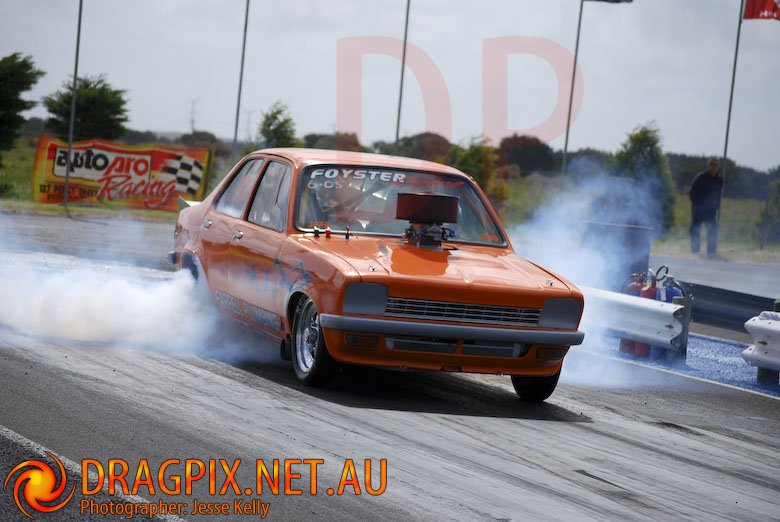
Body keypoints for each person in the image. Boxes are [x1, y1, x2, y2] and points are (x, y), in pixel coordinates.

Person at [689, 157, 724, 255]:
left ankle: (711, 252)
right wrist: (696, 205)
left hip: (711, 210)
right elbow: (692, 192)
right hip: (699, 209)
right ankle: (695, 251)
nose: (714, 167)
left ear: (718, 167)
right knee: (695, 230)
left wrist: (717, 206)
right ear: (708, 165)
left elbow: (719, 194)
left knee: (712, 231)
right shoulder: (701, 177)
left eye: (716, 165)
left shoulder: (720, 179)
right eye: (712, 164)